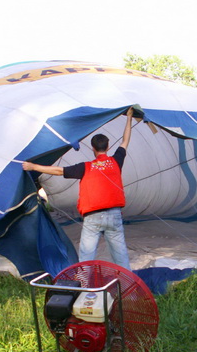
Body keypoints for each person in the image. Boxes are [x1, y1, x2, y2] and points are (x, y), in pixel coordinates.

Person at [22, 108, 134, 270]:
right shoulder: (116, 161)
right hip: (114, 215)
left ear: (92, 149)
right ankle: (127, 284)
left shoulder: (86, 167)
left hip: (93, 217)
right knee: (120, 254)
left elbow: (59, 171)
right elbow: (125, 141)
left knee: (86, 257)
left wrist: (33, 166)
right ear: (108, 147)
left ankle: (85, 290)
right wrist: (129, 118)